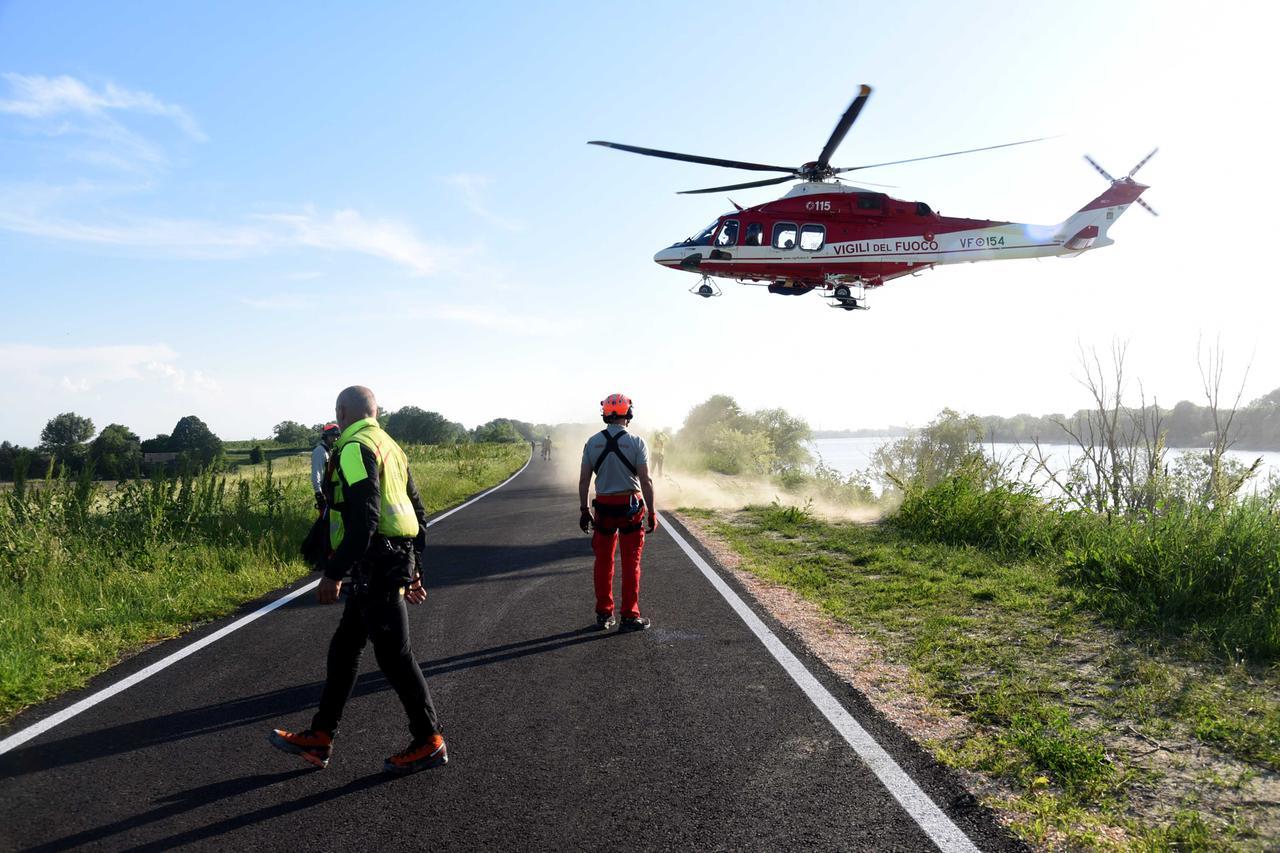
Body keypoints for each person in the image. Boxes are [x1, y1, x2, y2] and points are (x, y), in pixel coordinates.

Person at [270, 385, 446, 775]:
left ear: (342, 412)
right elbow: (418, 513)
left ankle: (429, 739)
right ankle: (321, 736)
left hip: (376, 564)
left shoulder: (352, 448)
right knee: (345, 649)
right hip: (390, 560)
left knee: (394, 657)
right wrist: (415, 568)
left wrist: (333, 575)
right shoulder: (390, 445)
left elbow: (365, 518)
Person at [579, 393, 657, 632]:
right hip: (630, 508)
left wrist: (584, 510)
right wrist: (652, 512)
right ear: (628, 414)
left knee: (603, 562)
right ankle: (630, 616)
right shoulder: (637, 442)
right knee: (631, 563)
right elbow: (646, 480)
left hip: (603, 507)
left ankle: (604, 615)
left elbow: (584, 481)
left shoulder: (592, 442)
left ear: (605, 414)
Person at [311, 423, 340, 512]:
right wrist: (319, 493)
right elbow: (317, 473)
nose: (335, 438)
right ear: (326, 436)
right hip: (324, 492)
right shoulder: (320, 451)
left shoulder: (330, 451)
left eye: (337, 436)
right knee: (325, 520)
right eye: (332, 435)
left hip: (332, 492)